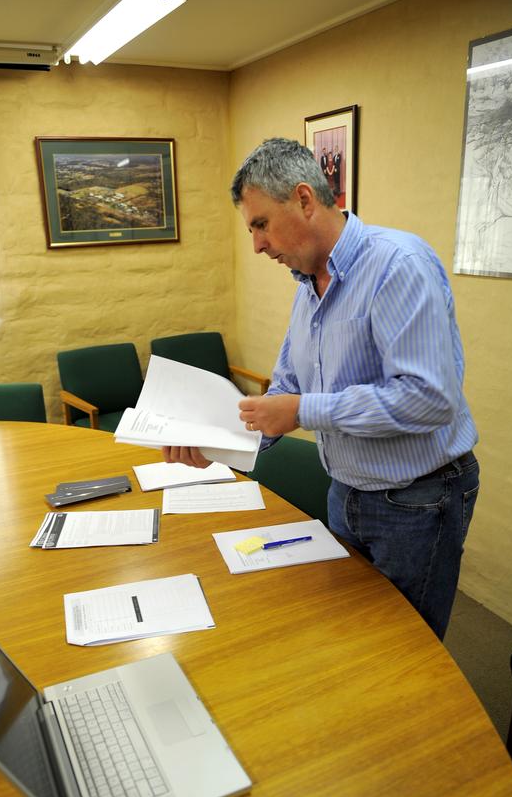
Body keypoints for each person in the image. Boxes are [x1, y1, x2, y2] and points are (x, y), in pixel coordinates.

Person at [163, 137, 479, 640]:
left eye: (261, 224)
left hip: (417, 500)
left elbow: (429, 398)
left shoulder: (397, 265)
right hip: (346, 491)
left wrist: (305, 410)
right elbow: (287, 387)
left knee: (406, 650)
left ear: (305, 200)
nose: (258, 245)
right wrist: (218, 445)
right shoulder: (307, 281)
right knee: (349, 633)